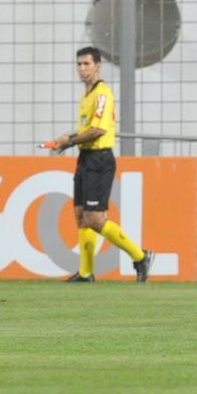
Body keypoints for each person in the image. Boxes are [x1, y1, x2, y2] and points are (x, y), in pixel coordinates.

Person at [45, 46, 154, 283]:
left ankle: (140, 255)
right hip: (85, 158)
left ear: (98, 66)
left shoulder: (102, 93)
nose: (82, 69)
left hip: (99, 158)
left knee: (95, 219)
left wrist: (69, 140)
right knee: (81, 216)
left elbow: (98, 130)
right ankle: (86, 272)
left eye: (87, 64)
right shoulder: (87, 95)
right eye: (79, 64)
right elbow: (87, 129)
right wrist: (66, 144)